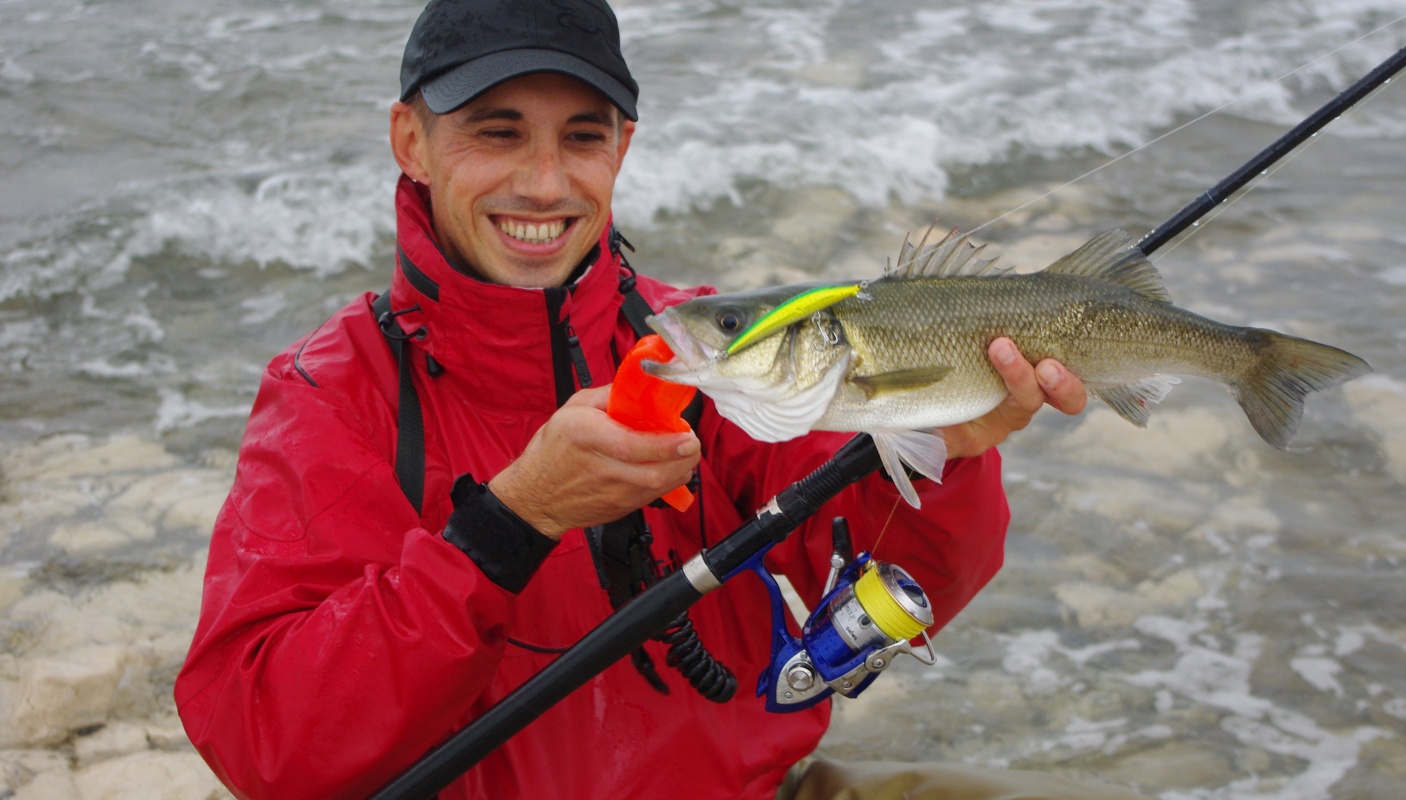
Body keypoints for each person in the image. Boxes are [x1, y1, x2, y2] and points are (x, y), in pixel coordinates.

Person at [176, 1, 1147, 798]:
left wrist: (954, 446)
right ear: (411, 141)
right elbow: (267, 743)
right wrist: (509, 523)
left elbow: (903, 579)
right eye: (495, 131)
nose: (545, 181)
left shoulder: (720, 344)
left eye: (582, 136)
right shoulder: (328, 394)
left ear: (624, 147)